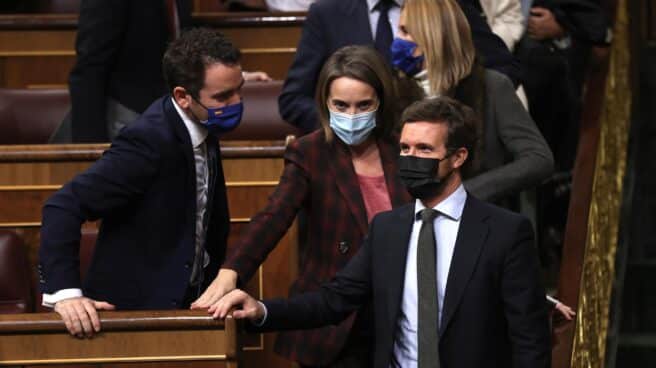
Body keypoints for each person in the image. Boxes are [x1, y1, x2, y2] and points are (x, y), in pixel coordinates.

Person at [212, 96, 552, 368]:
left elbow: (529, 340)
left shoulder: (506, 232)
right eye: (405, 148)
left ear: (458, 157)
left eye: (424, 150)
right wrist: (262, 310)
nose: (410, 158)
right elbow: (333, 300)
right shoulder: (389, 229)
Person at [191, 45, 411, 367]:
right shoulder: (311, 152)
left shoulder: (404, 150)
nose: (352, 116)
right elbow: (272, 218)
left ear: (380, 102)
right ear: (325, 103)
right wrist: (231, 272)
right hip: (331, 319)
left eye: (363, 105)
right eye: (341, 105)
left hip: (399, 311)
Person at [38, 28, 240, 337]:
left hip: (187, 306)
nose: (237, 102)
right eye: (224, 97)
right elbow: (62, 206)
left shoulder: (202, 122)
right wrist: (66, 293)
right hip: (132, 316)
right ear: (183, 97)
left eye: (239, 90)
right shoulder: (147, 142)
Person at [392, 0, 553, 205]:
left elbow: (538, 159)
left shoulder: (491, 86)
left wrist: (465, 194)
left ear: (432, 34)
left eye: (406, 31)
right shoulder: (394, 91)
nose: (398, 40)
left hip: (481, 219)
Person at [279, 0, 522, 133]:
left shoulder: (444, 5)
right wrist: (350, 124)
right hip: (361, 164)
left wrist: (457, 116)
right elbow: (293, 99)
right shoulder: (327, 12)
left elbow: (504, 69)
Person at [60, 0, 269, 143]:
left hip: (169, 118)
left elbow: (180, 53)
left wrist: (227, 78)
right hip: (124, 120)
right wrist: (89, 149)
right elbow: (89, 69)